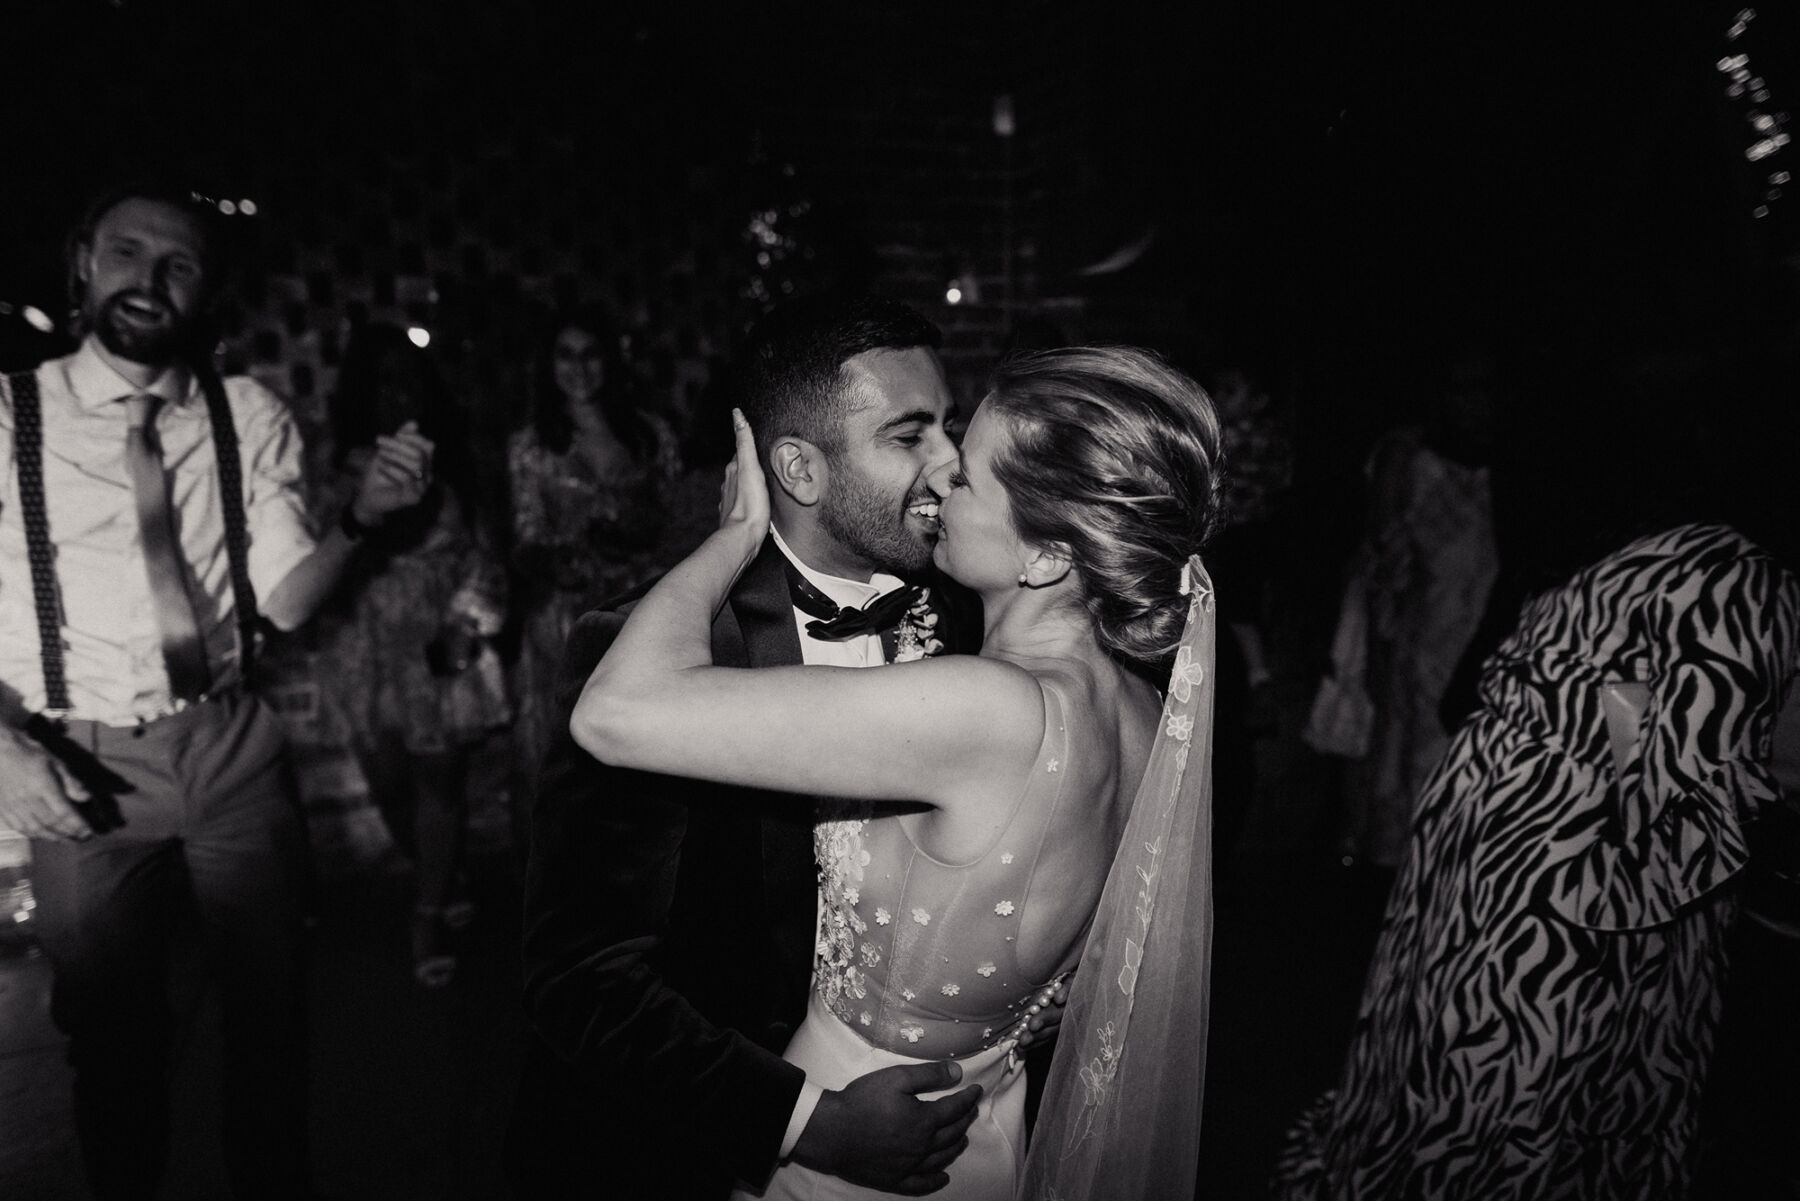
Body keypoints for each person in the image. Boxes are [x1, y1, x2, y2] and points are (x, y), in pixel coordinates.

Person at [571, 342, 1223, 1199]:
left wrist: (732, 537)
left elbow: (611, 712)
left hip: (861, 1139)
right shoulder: (1146, 711)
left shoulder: (986, 710)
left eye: (970, 478)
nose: (941, 476)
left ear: (1046, 557)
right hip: (984, 1124)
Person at [1272, 353, 1800, 1197]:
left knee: (1454, 1086)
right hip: (1557, 865)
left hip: (1503, 824)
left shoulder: (1647, 543)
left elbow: (1622, 695)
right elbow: (1679, 805)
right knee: (1512, 1101)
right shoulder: (1737, 579)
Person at [0, 183, 434, 1199]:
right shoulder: (6, 414)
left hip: (232, 743)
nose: (148, 279)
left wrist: (365, 520)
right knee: (112, 1032)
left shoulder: (246, 414)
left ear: (209, 289)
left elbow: (285, 602)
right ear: (81, 264)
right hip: (80, 761)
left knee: (271, 1010)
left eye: (179, 263)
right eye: (126, 252)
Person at [321, 322, 510, 986]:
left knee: (440, 782)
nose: (397, 390)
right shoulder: (333, 464)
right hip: (364, 647)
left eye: (408, 376)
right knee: (389, 782)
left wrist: (466, 623)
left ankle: (426, 910)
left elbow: (487, 553)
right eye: (383, 379)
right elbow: (314, 561)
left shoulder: (457, 458)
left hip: (438, 641)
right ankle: (441, 868)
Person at [505, 307, 683, 795]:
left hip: (639, 608)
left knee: (642, 757)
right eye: (565, 356)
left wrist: (635, 534)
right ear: (549, 365)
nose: (579, 368)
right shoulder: (532, 444)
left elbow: (677, 523)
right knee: (565, 757)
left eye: (590, 355)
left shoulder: (650, 434)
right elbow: (526, 536)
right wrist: (570, 553)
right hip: (567, 616)